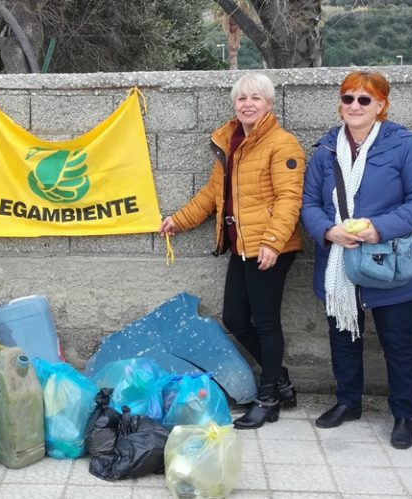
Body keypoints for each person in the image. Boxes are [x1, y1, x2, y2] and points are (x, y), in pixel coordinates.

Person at [159, 73, 305, 429]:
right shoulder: (231, 143)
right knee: (236, 319)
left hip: (271, 247)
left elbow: (289, 199)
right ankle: (281, 381)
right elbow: (212, 194)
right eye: (242, 99)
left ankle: (268, 397)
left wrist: (272, 242)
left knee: (266, 323)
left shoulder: (282, 144)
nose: (248, 104)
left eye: (256, 98)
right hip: (241, 246)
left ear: (269, 105)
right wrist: (178, 220)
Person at [301, 71, 412, 449]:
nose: (355, 106)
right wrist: (328, 231)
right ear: (340, 104)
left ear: (381, 105)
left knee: (398, 341)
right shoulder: (326, 149)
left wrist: (379, 228)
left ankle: (405, 414)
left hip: (388, 261)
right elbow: (309, 204)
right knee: (343, 336)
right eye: (348, 98)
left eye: (365, 99)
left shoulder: (403, 146)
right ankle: (349, 402)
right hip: (338, 263)